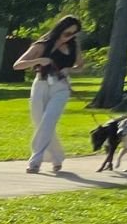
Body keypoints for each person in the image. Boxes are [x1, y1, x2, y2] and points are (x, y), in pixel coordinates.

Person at [16, 15, 83, 174]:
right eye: (67, 33)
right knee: (41, 122)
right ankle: (57, 156)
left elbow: (80, 65)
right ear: (60, 29)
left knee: (48, 121)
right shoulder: (43, 44)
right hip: (41, 84)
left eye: (74, 34)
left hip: (61, 87)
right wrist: (39, 61)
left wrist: (71, 69)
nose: (70, 37)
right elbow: (17, 65)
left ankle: (35, 161)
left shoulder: (73, 46)